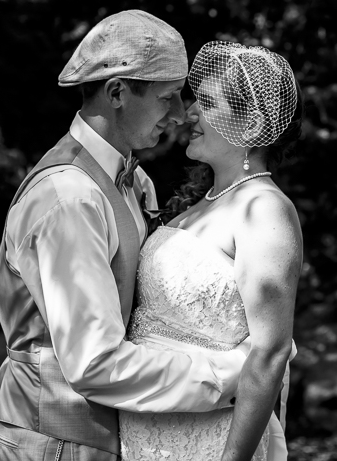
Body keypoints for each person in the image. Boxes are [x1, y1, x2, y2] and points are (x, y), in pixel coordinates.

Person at [0, 11, 249, 461]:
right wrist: (228, 376)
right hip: (52, 440)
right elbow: (95, 361)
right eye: (167, 98)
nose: (180, 113)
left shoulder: (132, 180)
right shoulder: (71, 199)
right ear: (117, 93)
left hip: (105, 436)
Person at [119, 41, 304, 461]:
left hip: (211, 439)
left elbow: (271, 351)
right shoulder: (201, 201)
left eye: (209, 103)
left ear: (254, 126)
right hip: (145, 431)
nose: (189, 114)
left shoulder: (265, 209)